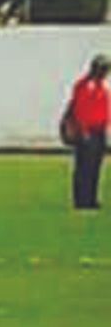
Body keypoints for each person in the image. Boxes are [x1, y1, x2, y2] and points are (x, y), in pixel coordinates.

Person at [61, 52, 109, 209]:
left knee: (95, 166)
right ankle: (81, 199)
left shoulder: (102, 87)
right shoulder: (83, 86)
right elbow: (80, 110)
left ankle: (91, 198)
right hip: (87, 131)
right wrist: (83, 130)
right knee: (84, 166)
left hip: (99, 130)